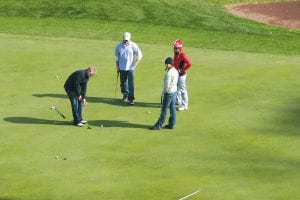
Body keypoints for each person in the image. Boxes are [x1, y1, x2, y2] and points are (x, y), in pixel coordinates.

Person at [150, 57, 179, 130]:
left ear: (170, 64)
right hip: (174, 91)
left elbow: (167, 85)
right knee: (172, 109)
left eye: (166, 64)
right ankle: (171, 124)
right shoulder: (175, 71)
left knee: (164, 110)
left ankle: (158, 125)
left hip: (168, 93)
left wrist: (163, 92)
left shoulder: (169, 73)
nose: (165, 65)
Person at [115, 32, 143, 105]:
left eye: (127, 40)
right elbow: (117, 58)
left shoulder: (133, 45)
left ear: (130, 39)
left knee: (131, 84)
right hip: (122, 67)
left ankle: (131, 99)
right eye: (124, 40)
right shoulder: (118, 46)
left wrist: (135, 64)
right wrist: (117, 67)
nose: (126, 41)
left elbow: (140, 55)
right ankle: (125, 95)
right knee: (123, 83)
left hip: (131, 68)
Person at [173, 39, 192, 111]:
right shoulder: (176, 54)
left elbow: (189, 64)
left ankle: (184, 105)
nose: (175, 49)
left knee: (182, 90)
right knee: (176, 88)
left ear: (180, 48)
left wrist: (183, 69)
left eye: (176, 48)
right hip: (176, 74)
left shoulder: (183, 55)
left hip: (181, 75)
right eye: (175, 48)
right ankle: (178, 101)